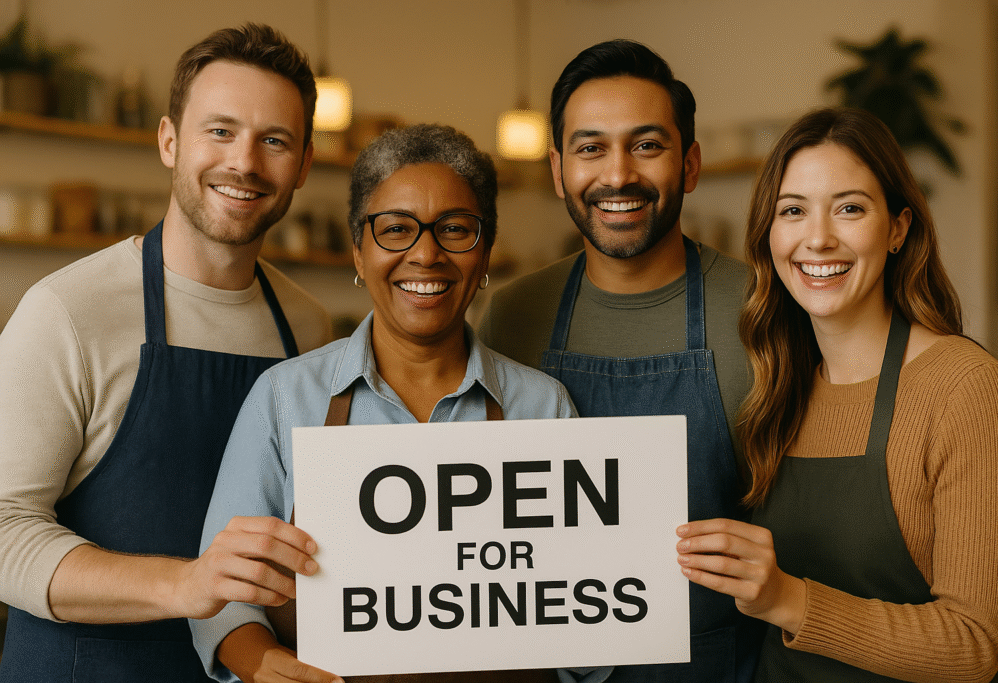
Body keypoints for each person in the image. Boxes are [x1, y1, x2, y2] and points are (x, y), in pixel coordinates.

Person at [0, 24, 333, 682]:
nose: (244, 162)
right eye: (220, 130)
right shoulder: (66, 311)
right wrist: (187, 584)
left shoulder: (309, 327)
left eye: (274, 140)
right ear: (169, 141)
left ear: (302, 164)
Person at [190, 123, 575, 683]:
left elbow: (581, 608)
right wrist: (263, 663)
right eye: (396, 229)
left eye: (455, 230)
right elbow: (224, 590)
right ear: (359, 252)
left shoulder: (543, 406)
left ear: (485, 252)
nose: (426, 254)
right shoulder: (284, 398)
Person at [676, 107, 998, 682]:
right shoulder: (776, 389)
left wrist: (788, 599)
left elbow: (975, 644)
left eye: (850, 208)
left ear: (898, 229)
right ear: (769, 235)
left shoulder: (966, 388)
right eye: (793, 211)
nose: (818, 238)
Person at [479, 39, 758, 683]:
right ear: (558, 170)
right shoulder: (510, 315)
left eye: (647, 145)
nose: (618, 175)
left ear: (690, 164)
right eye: (590, 148)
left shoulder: (761, 309)